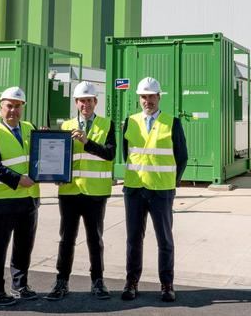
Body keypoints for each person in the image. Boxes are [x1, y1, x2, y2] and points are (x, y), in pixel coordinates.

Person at [45, 81, 115, 301]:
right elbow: (58, 158)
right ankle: (61, 282)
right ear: (76, 103)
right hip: (70, 191)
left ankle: (98, 282)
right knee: (67, 239)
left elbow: (110, 154)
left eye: (89, 100)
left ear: (96, 102)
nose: (85, 104)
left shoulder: (107, 124)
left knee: (95, 239)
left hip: (95, 192)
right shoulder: (66, 126)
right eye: (82, 100)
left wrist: (87, 142)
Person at [121, 76, 188, 303]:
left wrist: (172, 182)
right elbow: (126, 155)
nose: (147, 100)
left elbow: (182, 157)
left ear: (159, 97)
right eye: (143, 96)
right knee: (133, 239)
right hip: (134, 190)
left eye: (151, 96)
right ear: (139, 98)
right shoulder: (129, 122)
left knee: (165, 240)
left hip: (161, 191)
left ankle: (167, 284)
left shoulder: (172, 123)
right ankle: (131, 282)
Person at [0, 86, 40, 306]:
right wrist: (17, 179)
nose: (13, 110)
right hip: (4, 200)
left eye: (17, 106)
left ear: (23, 107)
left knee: (24, 245)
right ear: (1, 107)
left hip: (30, 198)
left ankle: (20, 285)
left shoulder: (30, 128)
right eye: (9, 106)